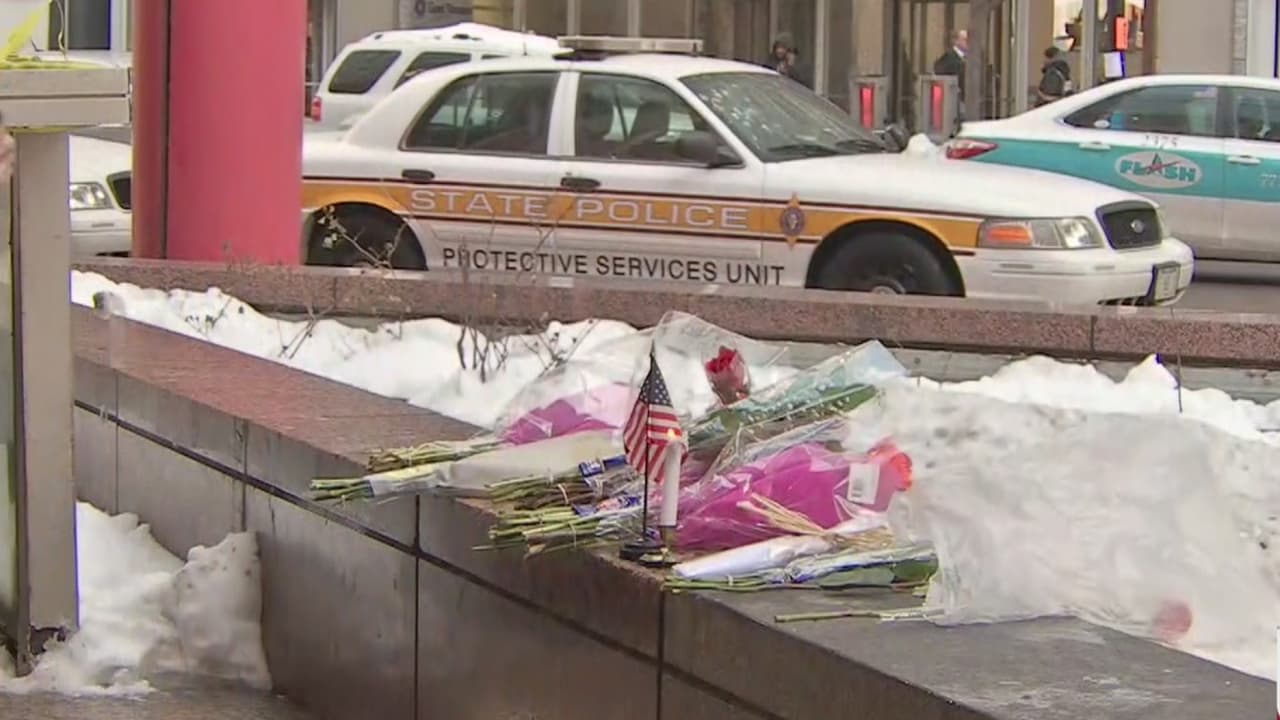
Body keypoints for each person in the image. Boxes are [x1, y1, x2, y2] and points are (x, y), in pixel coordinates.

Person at [932, 29, 967, 96]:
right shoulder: (948, 57)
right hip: (952, 97)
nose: (969, 43)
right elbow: (939, 76)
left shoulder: (969, 58)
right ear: (956, 41)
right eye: (965, 40)